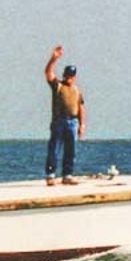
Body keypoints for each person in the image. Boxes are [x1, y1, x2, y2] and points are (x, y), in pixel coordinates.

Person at [44, 45, 85, 185]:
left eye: (72, 75)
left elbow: (81, 107)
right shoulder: (58, 86)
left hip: (72, 122)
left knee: (71, 150)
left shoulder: (76, 90)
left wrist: (82, 124)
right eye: (67, 75)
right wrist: (53, 59)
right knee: (54, 148)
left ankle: (67, 175)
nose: (69, 77)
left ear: (74, 76)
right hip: (59, 121)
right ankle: (50, 174)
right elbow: (48, 73)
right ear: (64, 75)